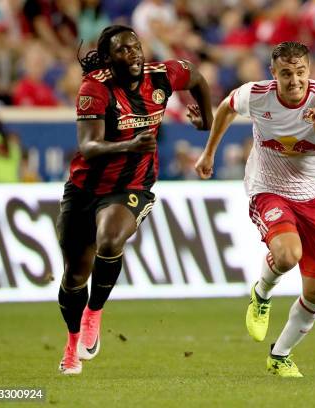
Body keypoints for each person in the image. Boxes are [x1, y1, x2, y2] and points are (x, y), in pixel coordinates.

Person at [195, 41, 315, 377]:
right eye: (286, 73)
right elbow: (227, 108)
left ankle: (280, 355)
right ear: (274, 73)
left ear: (309, 71)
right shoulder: (256, 94)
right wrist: (209, 153)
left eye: (300, 72)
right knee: (288, 254)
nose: (294, 80)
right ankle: (262, 293)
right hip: (268, 190)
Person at [57, 24, 213, 375]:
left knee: (111, 239)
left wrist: (207, 118)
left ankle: (94, 313)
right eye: (124, 50)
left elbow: (198, 78)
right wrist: (130, 143)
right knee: (73, 276)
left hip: (133, 185)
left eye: (136, 47)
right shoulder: (94, 88)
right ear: (109, 59)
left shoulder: (162, 76)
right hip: (84, 188)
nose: (134, 54)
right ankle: (71, 344)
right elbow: (88, 146)